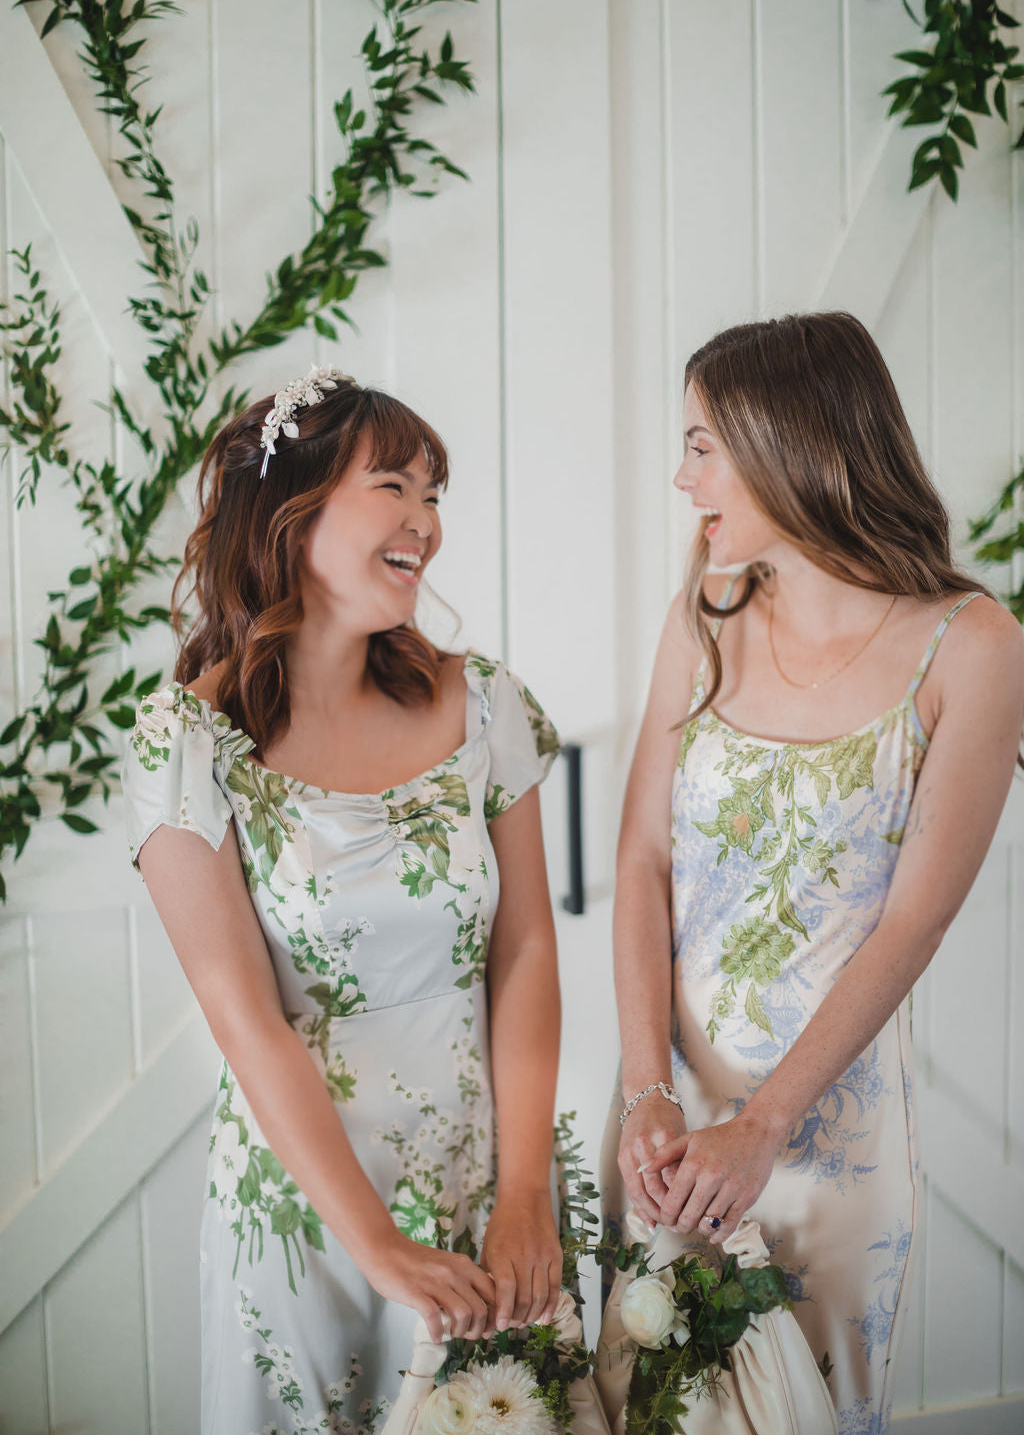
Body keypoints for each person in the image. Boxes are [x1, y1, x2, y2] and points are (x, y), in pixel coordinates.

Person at [122, 367, 563, 1434]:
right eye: (395, 487)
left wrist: (522, 1195)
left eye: (435, 493)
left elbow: (526, 949)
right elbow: (244, 1016)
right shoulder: (185, 743)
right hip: (306, 1211)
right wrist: (376, 1243)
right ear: (292, 510)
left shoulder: (484, 705)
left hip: (480, 1177)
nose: (426, 522)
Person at [606, 314, 1024, 1432]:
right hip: (665, 1120)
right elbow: (642, 857)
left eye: (701, 445)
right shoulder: (704, 609)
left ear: (786, 440)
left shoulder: (970, 645)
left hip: (827, 1140)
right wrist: (647, 1091)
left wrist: (762, 1127)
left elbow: (915, 924)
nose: (681, 476)